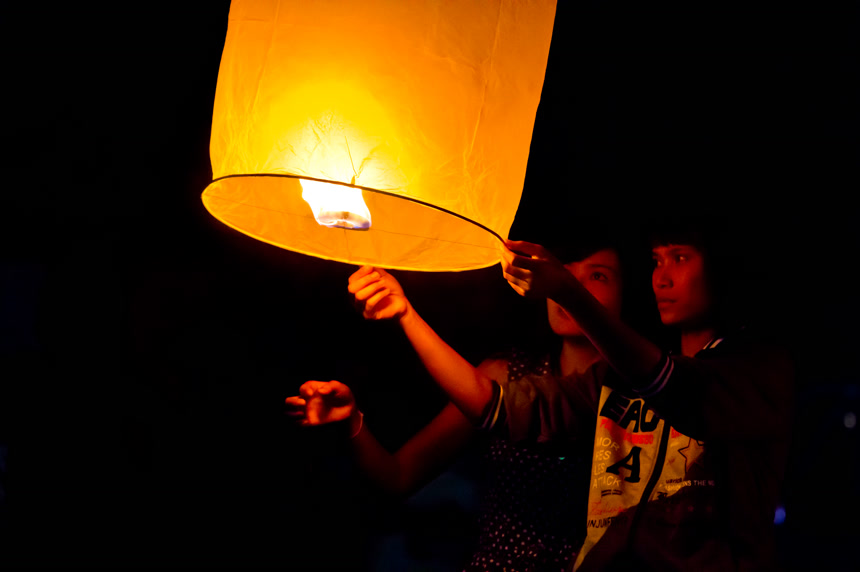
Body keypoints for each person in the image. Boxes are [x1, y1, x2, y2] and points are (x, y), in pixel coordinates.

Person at [286, 234, 631, 571]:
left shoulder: (648, 395)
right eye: (564, 273)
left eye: (598, 275)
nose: (568, 286)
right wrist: (352, 422)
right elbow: (398, 476)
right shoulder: (507, 374)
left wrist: (406, 313)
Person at [498, 218, 795, 571]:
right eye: (656, 261)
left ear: (721, 265)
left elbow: (675, 388)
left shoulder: (756, 372)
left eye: (680, 258)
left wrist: (566, 290)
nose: (662, 278)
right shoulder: (620, 377)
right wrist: (411, 315)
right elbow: (504, 409)